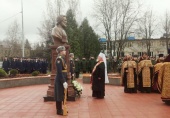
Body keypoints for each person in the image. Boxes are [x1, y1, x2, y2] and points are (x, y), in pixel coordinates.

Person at [54, 46, 68, 115]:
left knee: (62, 94)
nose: (65, 51)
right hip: (59, 80)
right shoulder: (59, 59)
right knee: (59, 95)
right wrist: (63, 81)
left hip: (62, 78)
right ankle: (59, 110)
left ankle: (61, 109)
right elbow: (59, 72)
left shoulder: (62, 59)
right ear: (61, 51)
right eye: (64, 50)